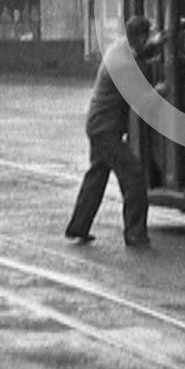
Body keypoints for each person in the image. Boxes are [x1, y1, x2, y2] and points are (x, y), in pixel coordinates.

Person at [65, 15, 164, 247]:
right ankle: (135, 233)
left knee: (97, 175)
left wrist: (158, 44)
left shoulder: (120, 48)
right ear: (139, 38)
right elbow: (141, 101)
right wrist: (160, 90)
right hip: (105, 130)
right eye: (147, 36)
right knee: (134, 176)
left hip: (98, 125)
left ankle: (78, 227)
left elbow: (142, 52)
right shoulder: (123, 66)